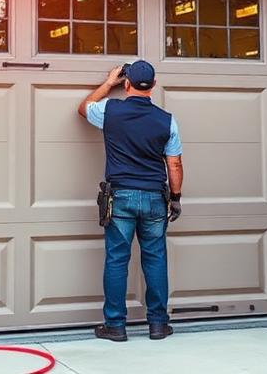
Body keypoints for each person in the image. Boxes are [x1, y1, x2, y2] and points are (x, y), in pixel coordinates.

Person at [78, 60, 184, 343]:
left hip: (120, 197)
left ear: (127, 83)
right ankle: (159, 325)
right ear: (154, 85)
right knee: (155, 259)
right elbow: (174, 165)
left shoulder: (110, 111)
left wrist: (107, 84)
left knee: (116, 259)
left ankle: (115, 326)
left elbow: (83, 106)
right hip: (154, 198)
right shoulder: (167, 119)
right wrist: (175, 198)